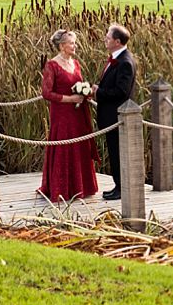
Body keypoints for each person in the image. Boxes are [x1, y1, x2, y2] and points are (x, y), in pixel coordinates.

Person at [38, 29, 99, 202]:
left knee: (79, 145)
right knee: (65, 145)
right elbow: (46, 93)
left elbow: (78, 83)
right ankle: (61, 188)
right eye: (72, 43)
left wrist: (86, 91)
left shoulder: (76, 63)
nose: (75, 46)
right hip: (62, 115)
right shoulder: (52, 65)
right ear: (62, 46)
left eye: (74, 43)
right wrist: (69, 98)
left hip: (79, 113)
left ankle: (81, 187)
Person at [91, 24, 136, 200]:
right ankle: (118, 185)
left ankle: (122, 189)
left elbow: (121, 92)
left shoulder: (124, 62)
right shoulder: (117, 59)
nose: (105, 39)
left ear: (117, 41)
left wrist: (98, 92)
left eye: (108, 37)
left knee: (118, 154)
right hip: (111, 117)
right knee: (114, 152)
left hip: (117, 117)